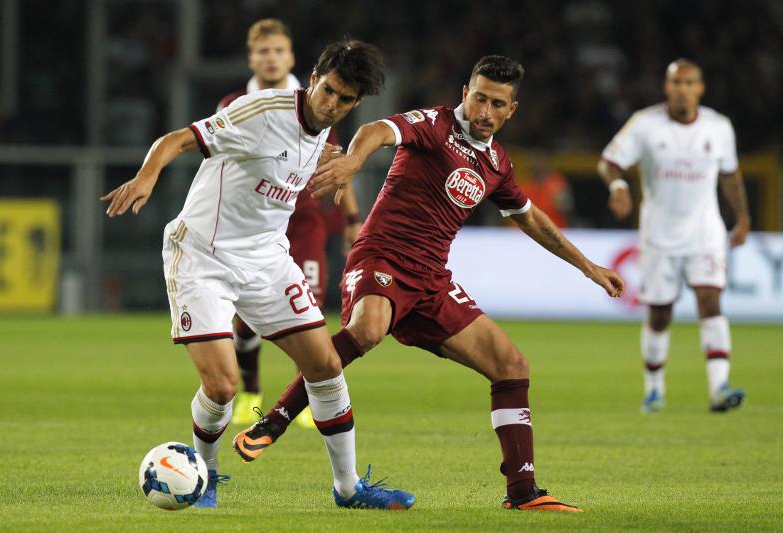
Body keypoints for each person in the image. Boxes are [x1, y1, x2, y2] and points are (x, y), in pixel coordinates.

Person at [233, 55, 624, 512]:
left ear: (510, 110)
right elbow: (376, 131)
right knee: (367, 329)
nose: (484, 111)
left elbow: (531, 218)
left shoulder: (497, 163)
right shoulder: (435, 125)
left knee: (512, 365)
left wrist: (588, 266)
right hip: (381, 257)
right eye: (478, 98)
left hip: (431, 282)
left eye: (496, 104)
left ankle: (522, 493)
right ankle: (273, 422)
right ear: (465, 93)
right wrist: (354, 163)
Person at [100, 38, 414, 510]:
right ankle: (205, 476)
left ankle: (348, 490)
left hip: (266, 259)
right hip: (203, 255)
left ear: (356, 102)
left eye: (345, 99)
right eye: (327, 90)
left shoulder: (323, 139)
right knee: (223, 386)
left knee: (326, 365)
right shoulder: (261, 112)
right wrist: (147, 176)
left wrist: (349, 212)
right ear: (312, 78)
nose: (332, 104)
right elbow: (178, 139)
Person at [217, 19, 362, 428]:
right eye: (263, 51)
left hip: (305, 220)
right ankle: (249, 389)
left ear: (292, 58)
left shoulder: (318, 101)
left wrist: (352, 218)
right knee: (246, 314)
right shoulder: (233, 103)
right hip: (252, 222)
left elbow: (334, 163)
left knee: (308, 308)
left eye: (278, 51)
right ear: (252, 58)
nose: (271, 58)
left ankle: (303, 396)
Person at [597, 58, 749, 413]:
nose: (683, 89)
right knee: (660, 312)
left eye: (689, 83)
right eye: (676, 82)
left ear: (701, 88)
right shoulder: (645, 125)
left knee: (711, 301)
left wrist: (742, 217)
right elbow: (609, 161)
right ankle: (654, 389)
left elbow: (730, 175)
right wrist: (618, 185)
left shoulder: (719, 127)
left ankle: (718, 387)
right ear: (667, 88)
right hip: (659, 236)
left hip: (705, 233)